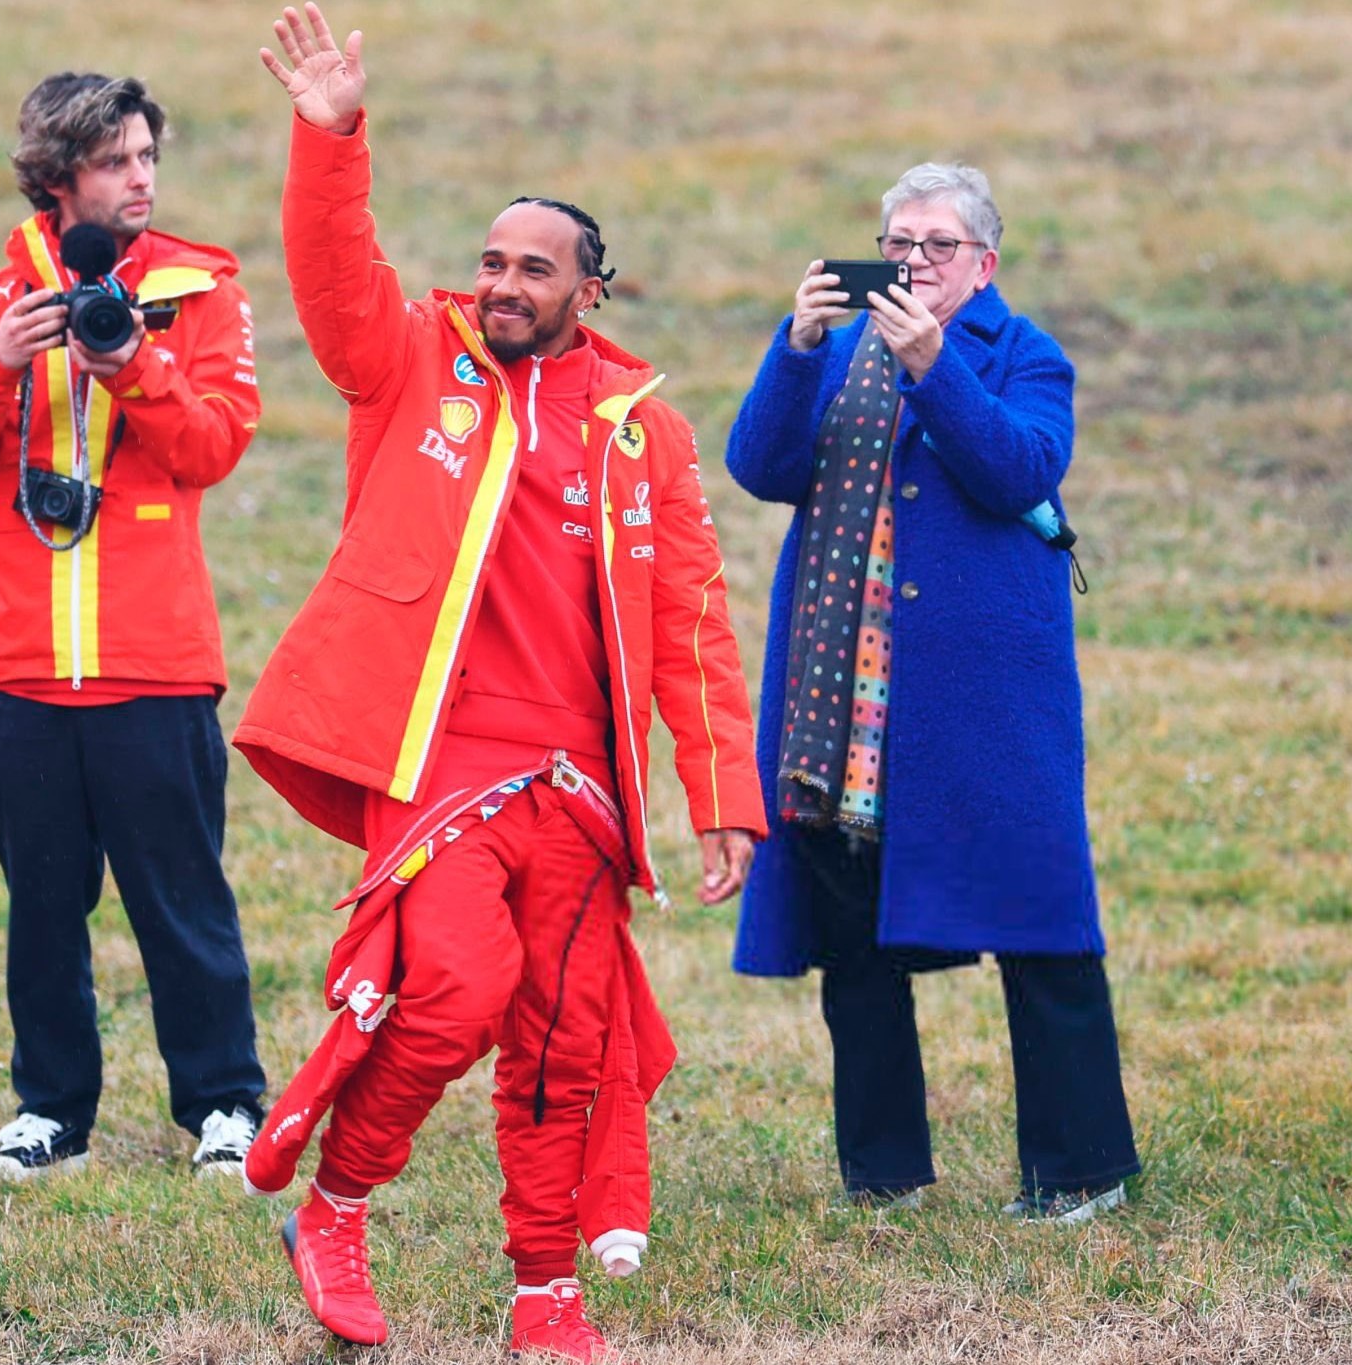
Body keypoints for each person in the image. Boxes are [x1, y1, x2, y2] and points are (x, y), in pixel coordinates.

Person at [237, 7, 767, 1358]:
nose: (503, 283)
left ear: (593, 291)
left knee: (557, 1042)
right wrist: (330, 132)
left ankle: (548, 1293)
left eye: (534, 268)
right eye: (490, 260)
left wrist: (723, 795)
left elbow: (693, 616)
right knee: (456, 994)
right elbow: (332, 272)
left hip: (581, 784)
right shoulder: (417, 357)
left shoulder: (641, 423)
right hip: (443, 754)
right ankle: (341, 1202)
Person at [724, 163, 1139, 1224]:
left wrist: (934, 366)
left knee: (1039, 918)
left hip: (981, 699)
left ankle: (1081, 1168)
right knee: (850, 939)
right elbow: (758, 467)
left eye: (936, 246)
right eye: (895, 241)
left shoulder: (1022, 353)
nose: (910, 261)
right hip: (838, 690)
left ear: (982, 264)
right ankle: (883, 1175)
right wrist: (796, 347)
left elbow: (1016, 471)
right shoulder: (841, 347)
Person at [0, 72, 267, 1183]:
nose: (142, 179)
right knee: (40, 909)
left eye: (149, 157)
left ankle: (222, 1105)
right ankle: (50, 1112)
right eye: (117, 161)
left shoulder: (202, 291)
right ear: (59, 174)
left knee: (181, 900)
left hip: (156, 666)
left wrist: (134, 362)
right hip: (23, 666)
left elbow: (213, 446)